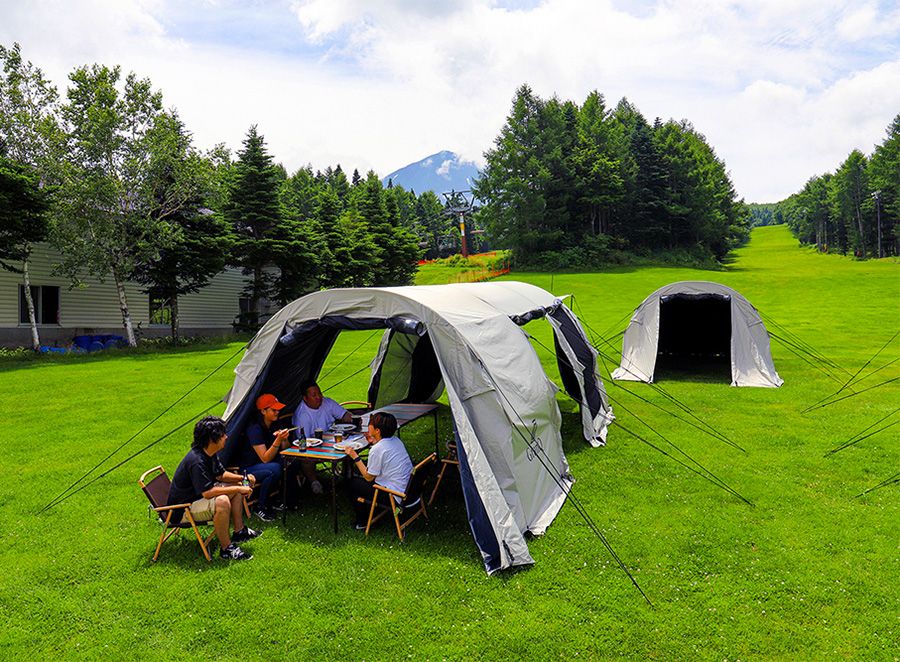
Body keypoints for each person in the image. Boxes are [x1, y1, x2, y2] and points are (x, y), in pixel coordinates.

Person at [167, 415, 260, 561]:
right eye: (222, 435)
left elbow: (221, 475)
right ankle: (227, 549)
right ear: (212, 439)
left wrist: (243, 479)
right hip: (182, 510)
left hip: (196, 501)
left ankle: (239, 531)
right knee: (222, 500)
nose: (226, 437)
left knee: (235, 488)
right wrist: (237, 489)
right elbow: (208, 492)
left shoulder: (209, 453)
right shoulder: (197, 461)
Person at [345, 412, 413, 531]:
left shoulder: (378, 449)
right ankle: (371, 512)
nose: (368, 426)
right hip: (410, 490)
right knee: (358, 480)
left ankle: (362, 522)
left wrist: (354, 456)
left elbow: (368, 477)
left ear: (377, 430)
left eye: (370, 424)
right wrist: (375, 440)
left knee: (352, 484)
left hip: (394, 496)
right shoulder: (396, 440)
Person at [234, 393, 293, 521]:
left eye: (278, 409)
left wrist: (284, 439)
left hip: (264, 463)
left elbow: (286, 450)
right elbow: (265, 458)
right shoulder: (254, 429)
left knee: (291, 461)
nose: (277, 412)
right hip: (248, 467)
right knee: (274, 469)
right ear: (263, 411)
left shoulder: (275, 423)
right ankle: (261, 506)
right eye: (274, 410)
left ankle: (281, 499)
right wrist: (277, 441)